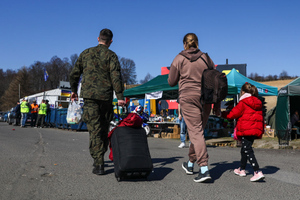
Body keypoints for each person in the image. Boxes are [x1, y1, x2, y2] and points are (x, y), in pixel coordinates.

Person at [69, 28, 125, 176]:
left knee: (94, 129)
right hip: (105, 98)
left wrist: (73, 90)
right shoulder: (111, 55)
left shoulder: (86, 53)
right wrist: (119, 96)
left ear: (98, 38)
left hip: (90, 97)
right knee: (104, 128)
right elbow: (116, 76)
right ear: (111, 41)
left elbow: (74, 73)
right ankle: (100, 155)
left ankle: (98, 162)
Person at [168, 33, 220, 183]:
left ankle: (204, 169)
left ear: (184, 44)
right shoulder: (206, 58)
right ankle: (190, 164)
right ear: (197, 43)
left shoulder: (179, 58)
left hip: (188, 98)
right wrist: (216, 104)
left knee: (196, 133)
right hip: (205, 98)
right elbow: (216, 80)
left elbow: (171, 82)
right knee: (198, 133)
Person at [222, 82, 265, 182]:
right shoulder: (257, 102)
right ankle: (242, 169)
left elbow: (233, 114)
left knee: (247, 149)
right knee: (245, 148)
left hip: (246, 129)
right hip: (255, 129)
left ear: (243, 92)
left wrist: (222, 114)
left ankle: (257, 171)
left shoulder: (244, 102)